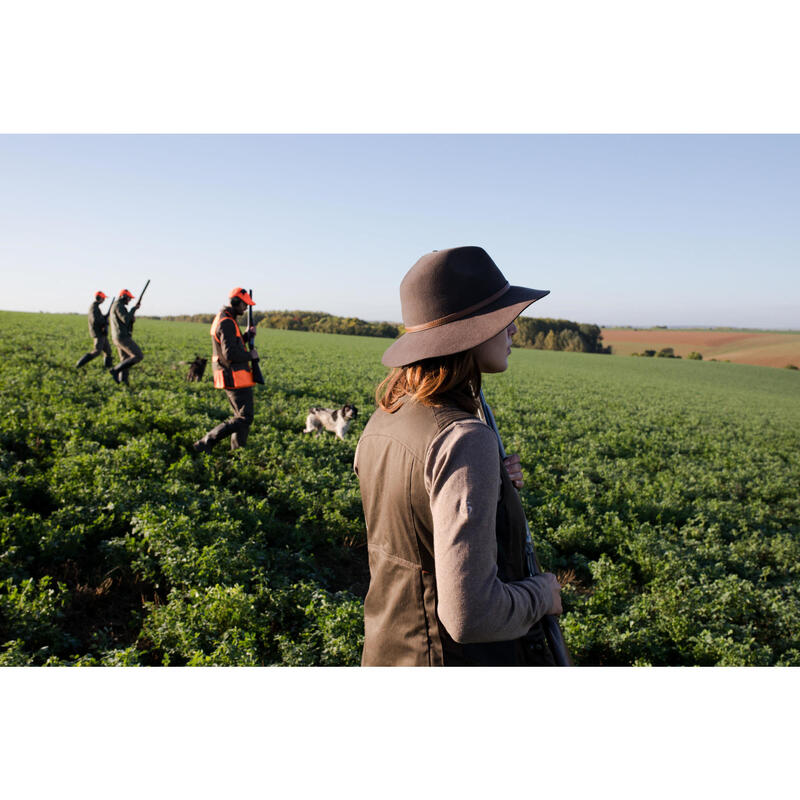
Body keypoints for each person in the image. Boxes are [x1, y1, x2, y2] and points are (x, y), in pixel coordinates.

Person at [354, 246, 563, 666]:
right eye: (504, 318)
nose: (514, 331)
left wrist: (491, 485)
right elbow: (471, 617)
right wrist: (544, 594)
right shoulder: (464, 438)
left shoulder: (383, 419)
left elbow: (416, 524)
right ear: (469, 332)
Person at [192, 287, 260, 453]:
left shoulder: (225, 319)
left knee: (241, 417)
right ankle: (205, 443)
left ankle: (238, 451)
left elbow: (231, 345)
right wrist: (251, 355)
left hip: (233, 375)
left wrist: (245, 337)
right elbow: (230, 354)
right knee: (245, 418)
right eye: (245, 305)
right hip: (234, 376)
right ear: (236, 302)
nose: (245, 308)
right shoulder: (227, 322)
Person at [108, 289, 144, 384]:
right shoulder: (118, 306)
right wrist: (133, 309)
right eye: (129, 298)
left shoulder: (118, 305)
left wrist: (132, 317)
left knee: (125, 359)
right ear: (123, 297)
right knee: (138, 356)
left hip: (118, 336)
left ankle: (123, 382)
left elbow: (126, 321)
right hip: (122, 337)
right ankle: (115, 370)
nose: (130, 300)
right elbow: (125, 319)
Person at [75, 291, 113, 369]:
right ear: (100, 298)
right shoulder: (94, 307)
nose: (104, 300)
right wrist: (104, 322)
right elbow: (95, 320)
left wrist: (105, 316)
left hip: (102, 333)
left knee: (108, 351)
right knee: (97, 351)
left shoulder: (96, 307)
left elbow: (99, 318)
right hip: (98, 332)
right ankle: (79, 364)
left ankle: (108, 367)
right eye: (103, 298)